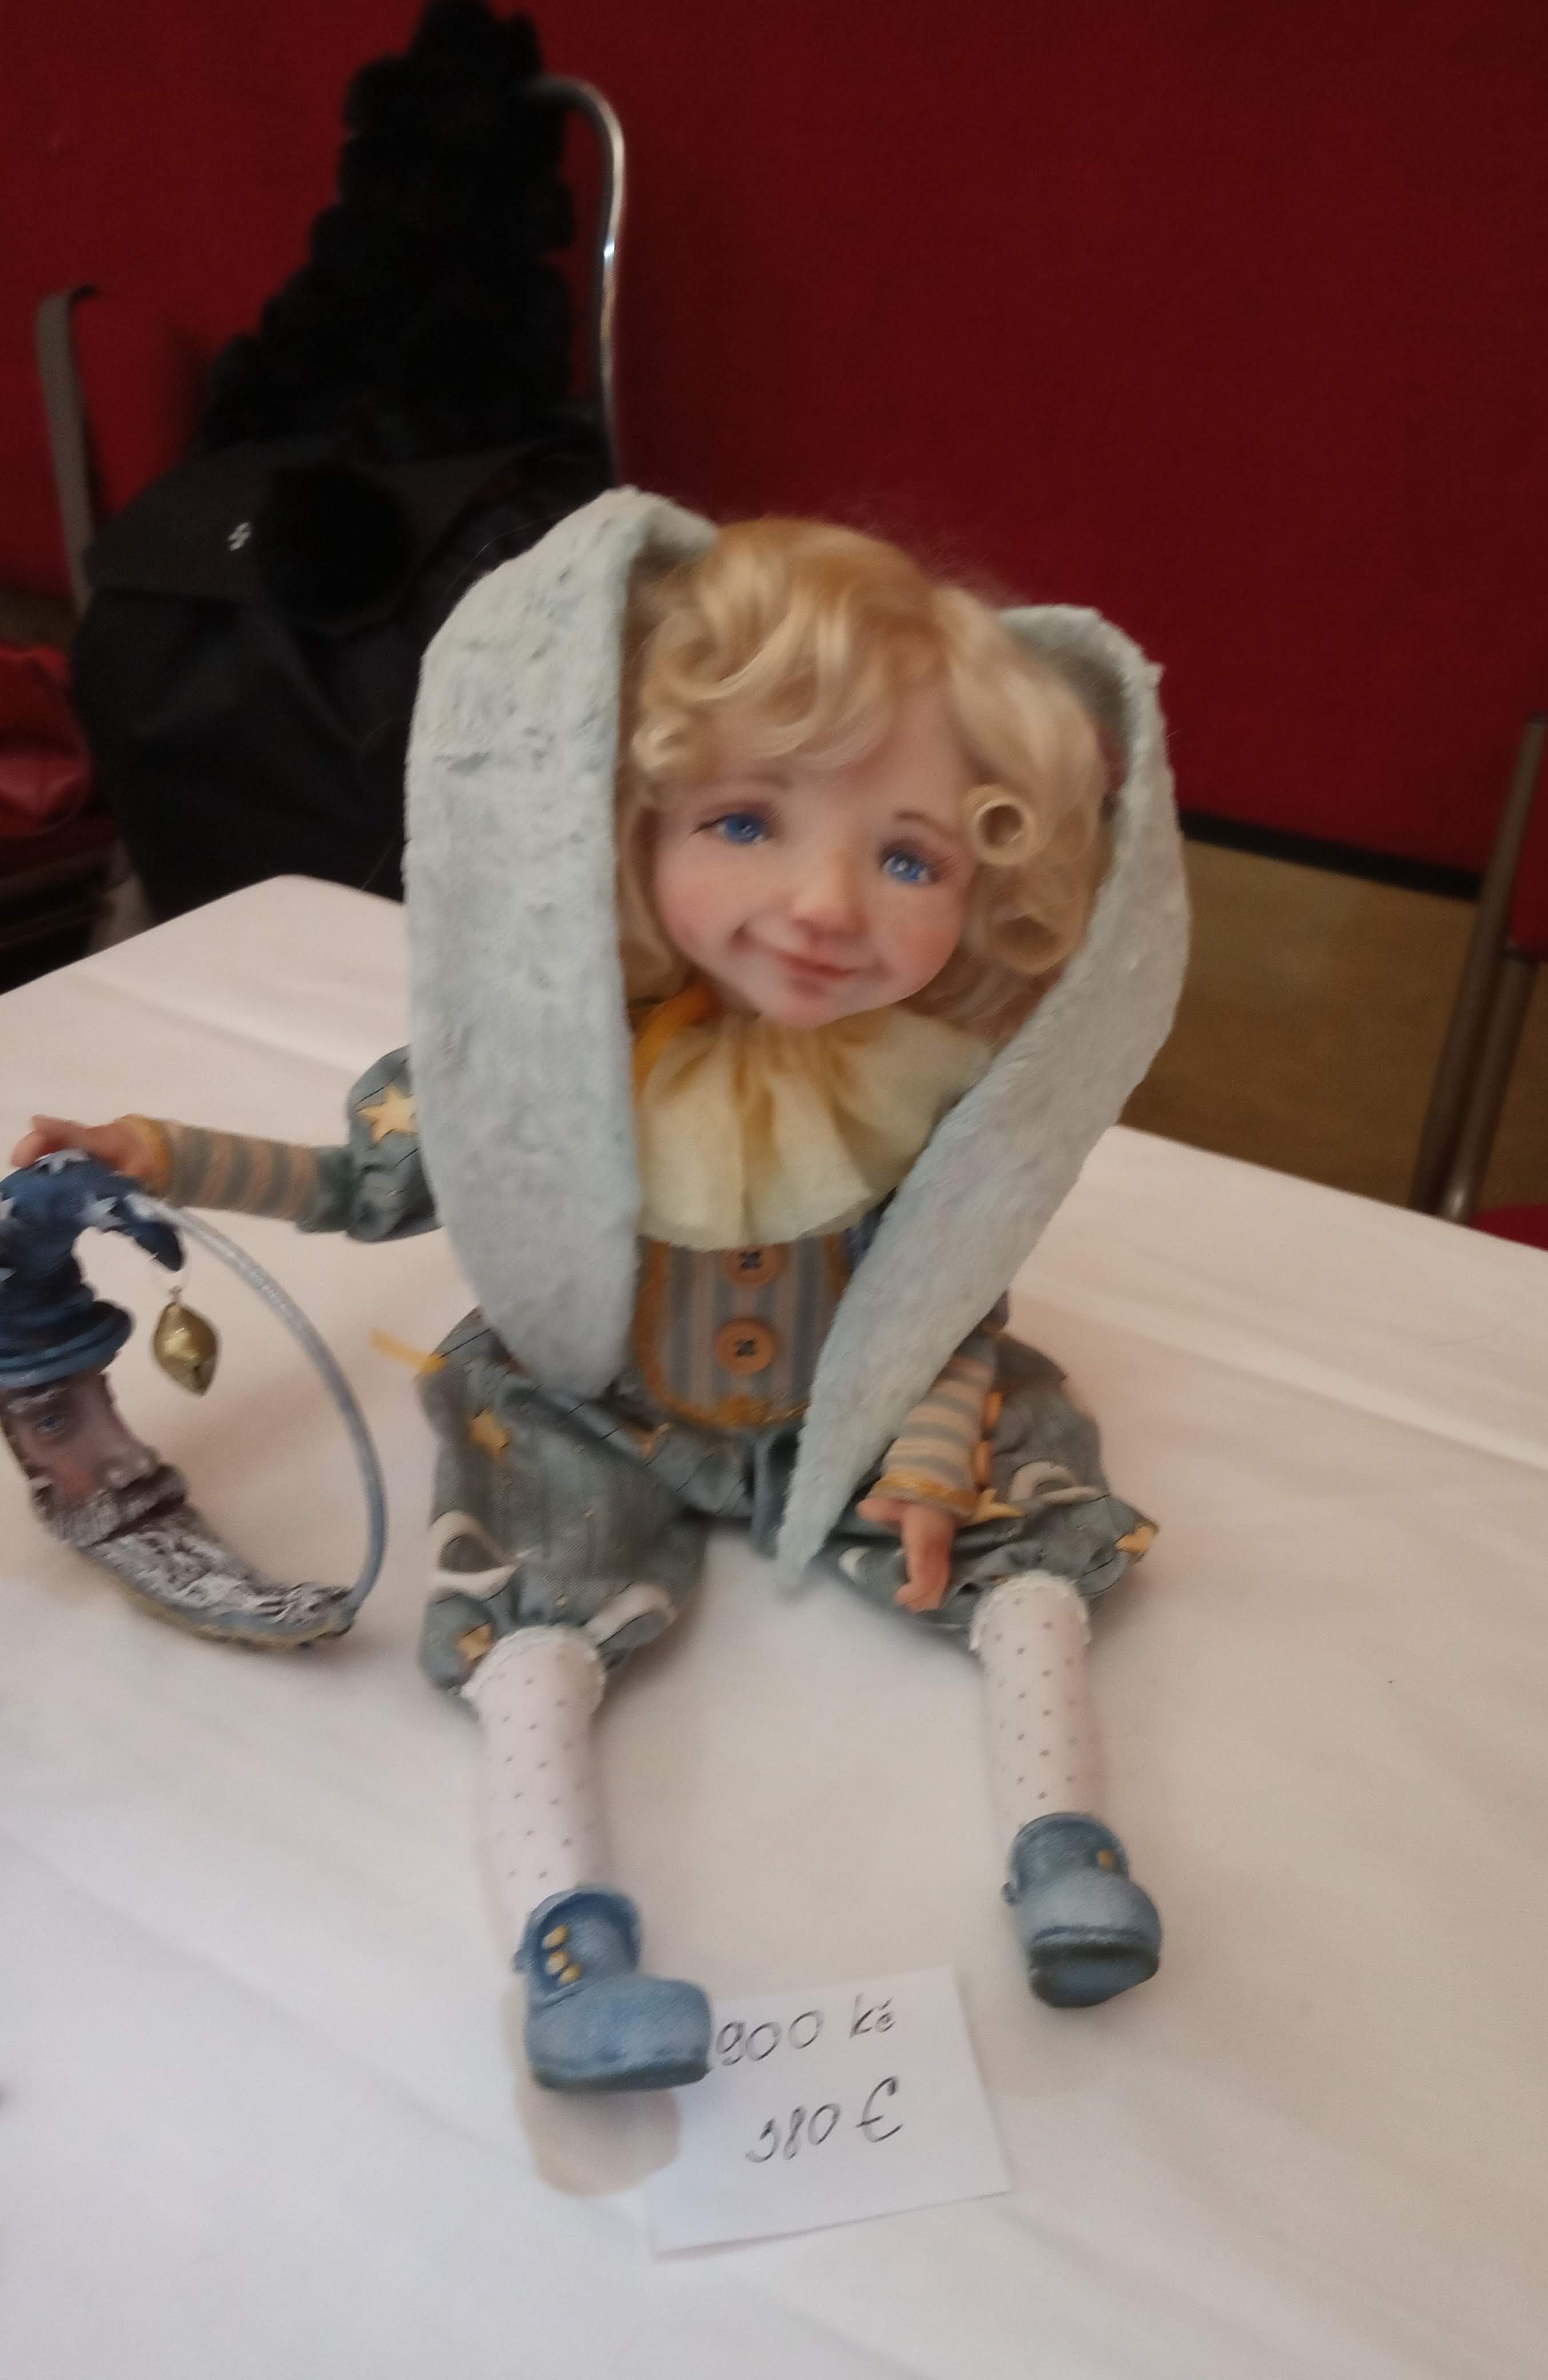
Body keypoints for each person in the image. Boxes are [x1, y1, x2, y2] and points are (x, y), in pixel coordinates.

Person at [9, 493, 1189, 2092]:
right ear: (630, 820)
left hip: (851, 1400)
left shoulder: (932, 1082)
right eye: (748, 822)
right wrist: (161, 1152)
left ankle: (1070, 1848)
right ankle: (572, 1946)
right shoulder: (557, 1061)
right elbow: (365, 1183)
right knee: (533, 1639)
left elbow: (948, 1287)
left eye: (907, 855)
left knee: (1026, 1548)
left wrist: (921, 1452)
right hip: (594, 1404)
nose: (826, 906)